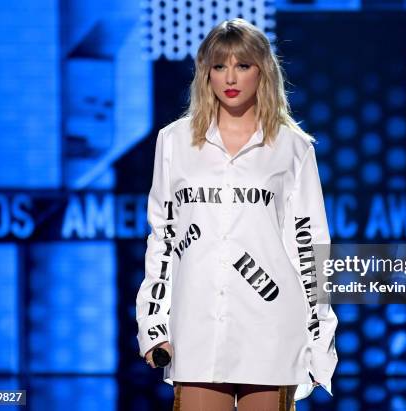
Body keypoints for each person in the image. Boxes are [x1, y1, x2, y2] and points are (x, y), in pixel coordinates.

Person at [135, 18, 338, 411]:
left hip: (273, 328)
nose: (230, 77)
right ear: (205, 73)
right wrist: (153, 323)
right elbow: (163, 238)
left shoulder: (293, 148)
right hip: (197, 327)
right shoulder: (174, 142)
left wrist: (319, 341)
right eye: (219, 66)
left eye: (243, 65)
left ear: (263, 70)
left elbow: (311, 247)